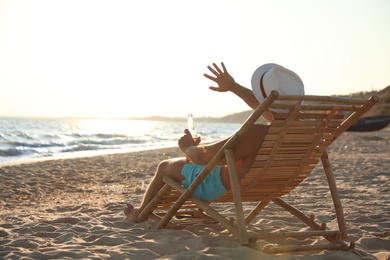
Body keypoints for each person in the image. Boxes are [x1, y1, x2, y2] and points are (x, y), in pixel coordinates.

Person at [124, 62, 305, 221]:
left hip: (223, 186)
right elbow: (265, 107)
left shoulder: (258, 133)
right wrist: (233, 86)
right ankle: (197, 210)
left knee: (165, 166)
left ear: (264, 100)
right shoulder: (304, 129)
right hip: (273, 184)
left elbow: (204, 158)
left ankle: (140, 214)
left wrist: (188, 147)